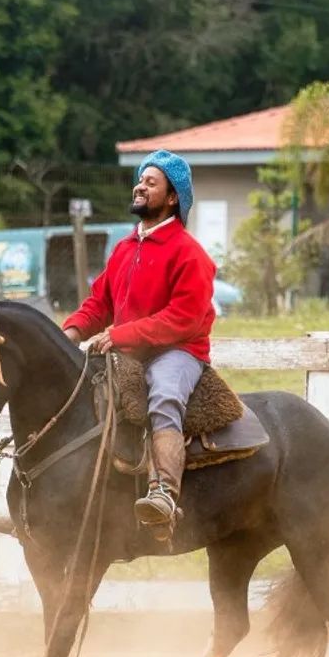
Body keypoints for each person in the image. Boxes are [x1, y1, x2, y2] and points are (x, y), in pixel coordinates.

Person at [63, 149, 216, 529]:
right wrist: (68, 333)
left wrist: (119, 335)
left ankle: (164, 492)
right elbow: (99, 303)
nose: (140, 186)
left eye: (151, 182)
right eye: (140, 179)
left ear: (172, 197)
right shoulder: (125, 248)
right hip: (127, 348)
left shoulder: (190, 255)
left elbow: (182, 320)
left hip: (177, 352)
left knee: (164, 395)